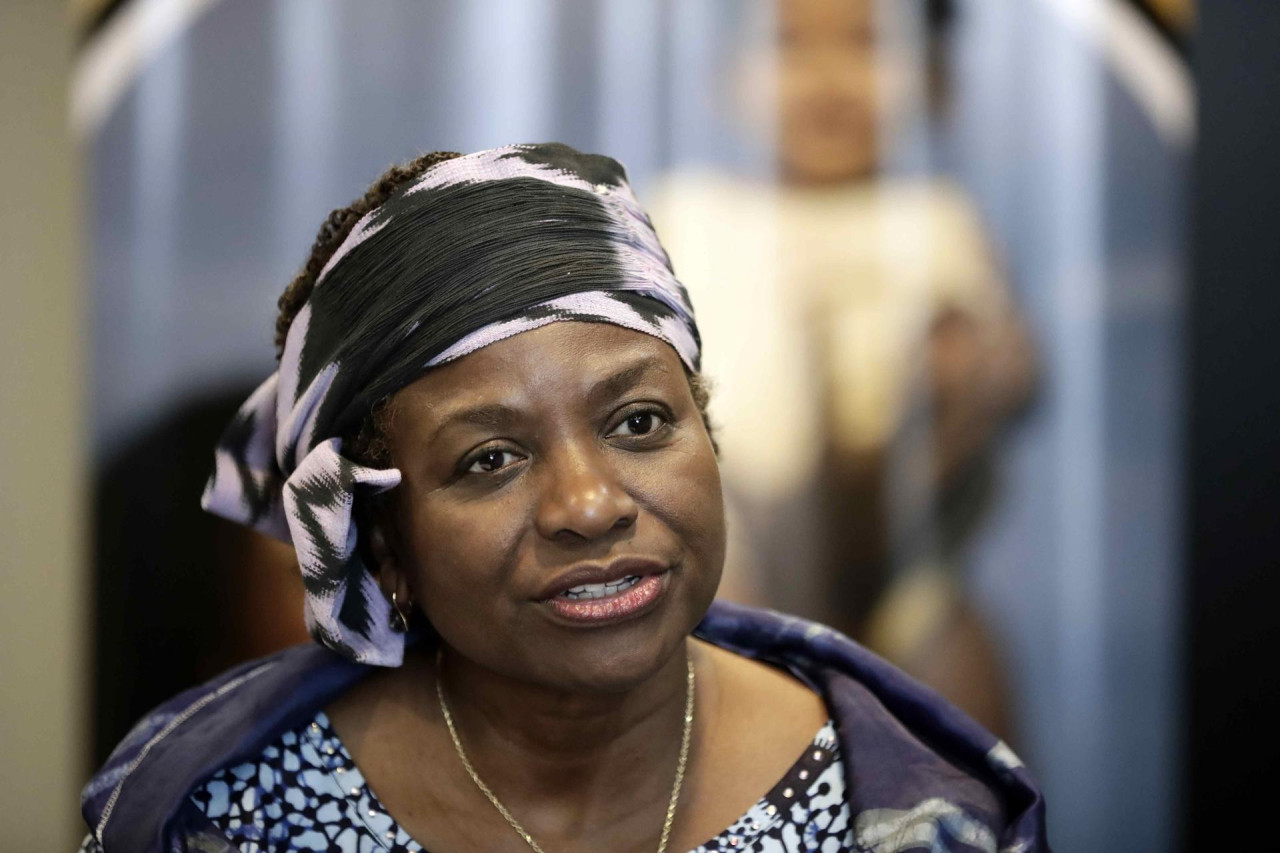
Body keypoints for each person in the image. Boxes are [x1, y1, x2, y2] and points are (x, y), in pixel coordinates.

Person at [79, 144, 1047, 852]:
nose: (588, 504)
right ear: (383, 546)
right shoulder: (228, 816)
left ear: (707, 438)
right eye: (490, 458)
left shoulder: (910, 811)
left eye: (637, 423)